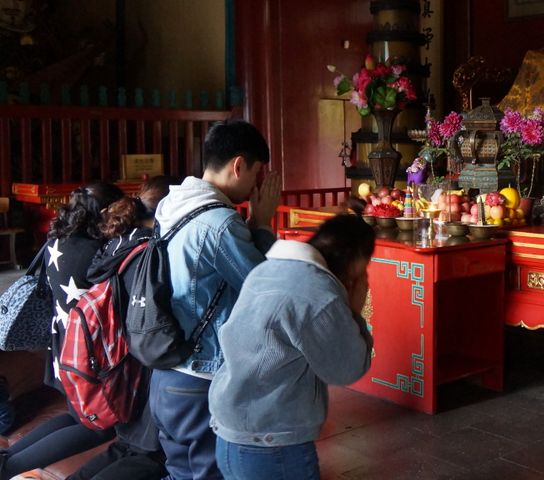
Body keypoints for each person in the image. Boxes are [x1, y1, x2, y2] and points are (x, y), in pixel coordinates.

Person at [149, 120, 281, 480]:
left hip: (165, 371)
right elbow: (261, 290)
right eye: (257, 172)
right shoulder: (219, 222)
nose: (257, 184)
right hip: (200, 377)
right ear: (239, 165)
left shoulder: (172, 205)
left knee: (180, 472)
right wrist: (264, 224)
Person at [209, 215, 374, 480]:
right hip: (271, 446)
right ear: (356, 261)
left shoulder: (268, 269)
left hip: (230, 433)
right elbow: (347, 368)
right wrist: (355, 310)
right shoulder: (318, 293)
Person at [0, 182, 125, 480]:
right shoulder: (98, 251)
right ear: (106, 212)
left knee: (74, 414)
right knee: (97, 425)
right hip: (86, 352)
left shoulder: (58, 238)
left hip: (62, 347)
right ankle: (9, 466)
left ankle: (6, 460)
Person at [68, 176, 174, 480]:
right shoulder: (152, 249)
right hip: (145, 360)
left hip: (119, 361)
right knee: (149, 455)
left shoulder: (118, 242)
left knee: (126, 446)